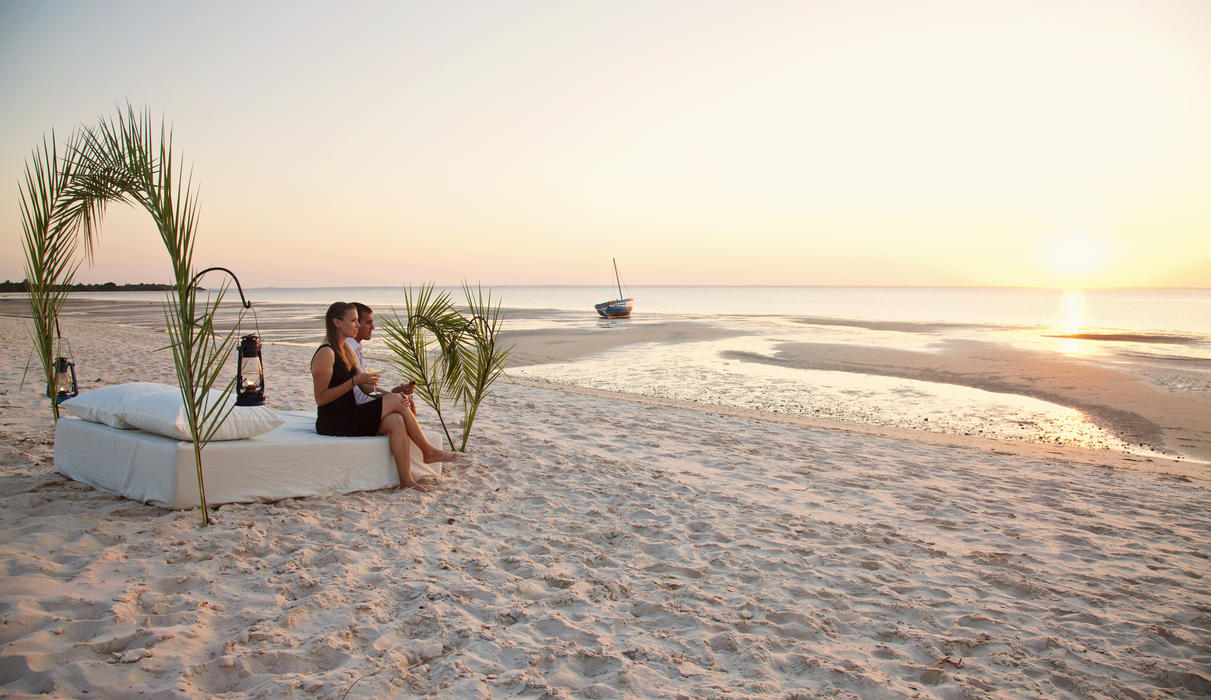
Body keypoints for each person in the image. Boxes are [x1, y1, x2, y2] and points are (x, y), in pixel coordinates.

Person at [311, 302, 462, 492]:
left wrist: (390, 394)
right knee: (395, 403)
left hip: (350, 415)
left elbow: (366, 388)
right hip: (333, 420)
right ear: (337, 323)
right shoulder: (326, 353)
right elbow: (321, 398)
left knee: (396, 420)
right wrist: (354, 382)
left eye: (358, 321)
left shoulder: (347, 351)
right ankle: (427, 450)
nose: (357, 325)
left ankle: (406, 480)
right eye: (353, 321)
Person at [347, 302, 415, 415]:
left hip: (362, 399)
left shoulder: (356, 347)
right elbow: (365, 390)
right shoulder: (350, 348)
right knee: (406, 402)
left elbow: (366, 389)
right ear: (356, 323)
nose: (373, 327)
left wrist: (392, 392)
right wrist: (392, 395)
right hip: (357, 404)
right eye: (368, 323)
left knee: (407, 399)